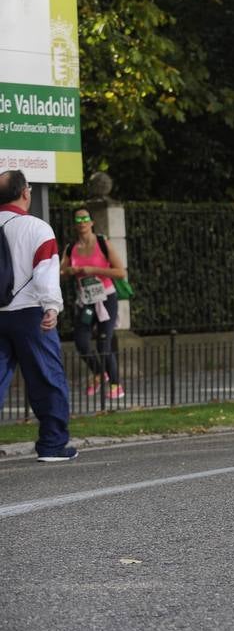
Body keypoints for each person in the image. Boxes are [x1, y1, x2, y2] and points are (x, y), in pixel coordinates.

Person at [0, 170, 76, 461]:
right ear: (25, 193)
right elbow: (46, 272)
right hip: (30, 313)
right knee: (47, 378)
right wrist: (52, 307)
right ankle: (53, 445)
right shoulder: (36, 228)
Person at [59, 207, 128, 399]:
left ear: (91, 222)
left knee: (103, 343)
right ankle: (99, 373)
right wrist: (69, 272)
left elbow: (121, 272)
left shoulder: (102, 243)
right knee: (81, 342)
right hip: (86, 302)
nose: (82, 223)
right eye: (78, 220)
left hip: (106, 299)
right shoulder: (71, 248)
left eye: (85, 219)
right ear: (75, 224)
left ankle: (116, 385)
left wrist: (93, 270)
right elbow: (61, 274)